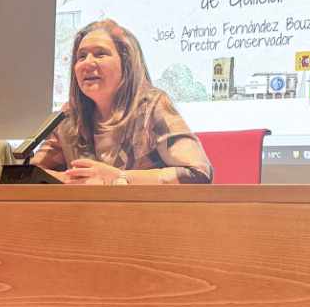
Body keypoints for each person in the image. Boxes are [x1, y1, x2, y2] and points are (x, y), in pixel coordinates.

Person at [32, 19, 211, 184]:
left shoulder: (151, 107)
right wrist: (69, 179)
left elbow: (198, 173)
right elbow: (29, 174)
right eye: (82, 56)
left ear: (126, 63)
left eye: (100, 54)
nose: (87, 63)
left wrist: (119, 178)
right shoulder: (70, 117)